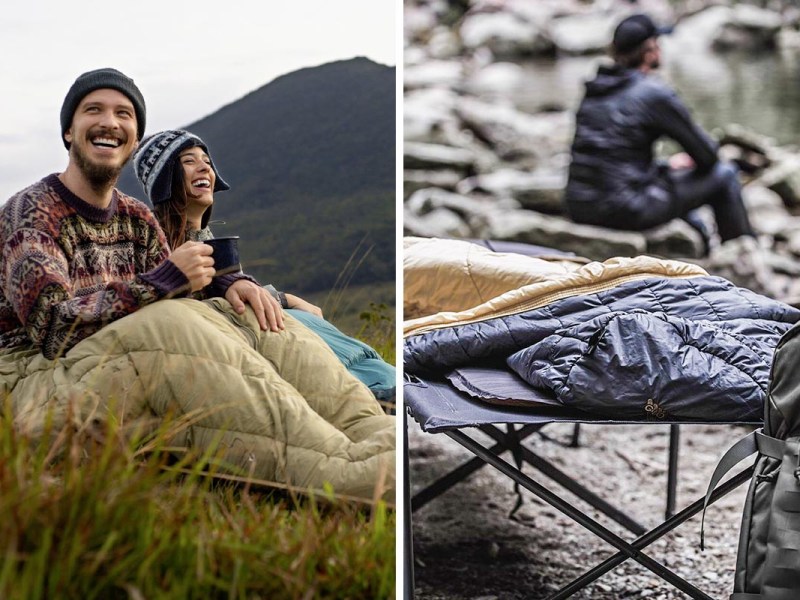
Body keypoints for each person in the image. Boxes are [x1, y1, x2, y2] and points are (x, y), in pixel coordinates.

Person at [0, 68, 394, 500]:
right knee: (170, 322)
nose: (110, 122)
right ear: (68, 133)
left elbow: (180, 293)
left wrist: (229, 286)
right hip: (32, 381)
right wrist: (166, 279)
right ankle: (345, 473)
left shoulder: (135, 217)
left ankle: (381, 435)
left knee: (242, 315)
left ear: (132, 141)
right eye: (93, 110)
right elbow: (51, 327)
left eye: (124, 114)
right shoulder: (31, 212)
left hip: (114, 364)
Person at [132, 129, 396, 401]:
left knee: (304, 322)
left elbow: (237, 294)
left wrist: (283, 298)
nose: (204, 168)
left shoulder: (206, 238)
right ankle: (375, 391)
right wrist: (285, 300)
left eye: (207, 162)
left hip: (248, 340)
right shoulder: (152, 241)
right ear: (165, 179)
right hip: (214, 356)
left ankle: (382, 387)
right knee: (299, 327)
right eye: (188, 161)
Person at [563, 14, 759, 259]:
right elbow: (708, 156)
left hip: (580, 205)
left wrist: (665, 166)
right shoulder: (653, 92)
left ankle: (701, 244)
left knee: (668, 174)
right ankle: (744, 259)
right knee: (725, 175)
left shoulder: (595, 88)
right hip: (624, 209)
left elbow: (610, 155)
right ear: (650, 50)